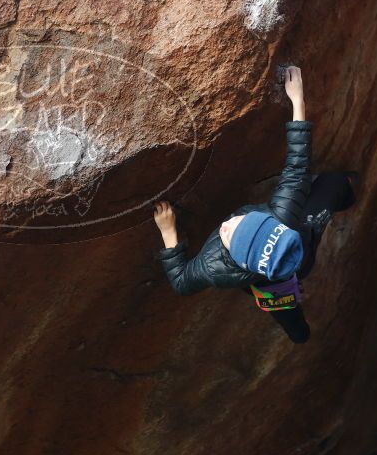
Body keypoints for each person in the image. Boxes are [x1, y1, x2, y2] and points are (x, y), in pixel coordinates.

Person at [152, 66, 357, 343]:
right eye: (240, 222)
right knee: (335, 184)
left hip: (274, 278)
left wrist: (169, 233)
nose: (228, 223)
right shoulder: (281, 215)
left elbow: (181, 282)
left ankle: (300, 335)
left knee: (286, 310)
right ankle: (301, 335)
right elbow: (297, 165)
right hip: (300, 251)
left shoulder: (214, 267)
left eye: (230, 232)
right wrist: (297, 101)